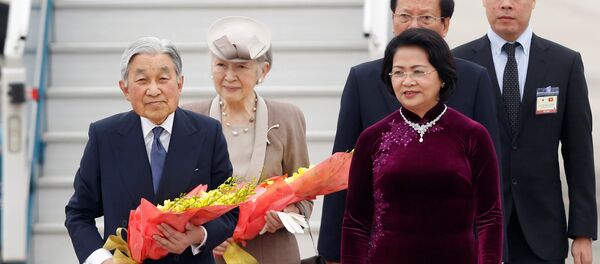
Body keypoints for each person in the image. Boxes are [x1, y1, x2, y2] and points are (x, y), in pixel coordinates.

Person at [319, 0, 501, 262]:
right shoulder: (372, 135)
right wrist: (332, 252)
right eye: (398, 73)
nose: (408, 81)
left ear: (441, 76)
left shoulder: (472, 131)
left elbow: (490, 214)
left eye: (418, 72)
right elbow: (351, 209)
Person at [65, 37, 237, 264]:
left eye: (163, 79)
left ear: (180, 83)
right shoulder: (104, 136)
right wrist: (102, 260)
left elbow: (230, 210)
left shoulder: (208, 132)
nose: (154, 90)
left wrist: (197, 236)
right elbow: (78, 214)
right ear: (125, 89)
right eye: (142, 80)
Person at [452, 1, 597, 263]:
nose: (506, 4)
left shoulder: (564, 63)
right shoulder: (457, 63)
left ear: (533, 2)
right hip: (476, 226)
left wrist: (583, 232)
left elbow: (579, 153)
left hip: (542, 228)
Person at [181, 16, 312, 264]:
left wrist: (287, 214)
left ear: (263, 71)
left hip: (271, 252)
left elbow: (304, 192)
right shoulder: (189, 118)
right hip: (206, 254)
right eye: (221, 65)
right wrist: (206, 233)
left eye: (241, 67)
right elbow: (173, 193)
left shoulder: (287, 117)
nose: (229, 76)